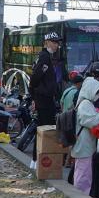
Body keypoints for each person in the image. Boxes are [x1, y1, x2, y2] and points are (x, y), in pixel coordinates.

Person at [71, 78, 99, 195]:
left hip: (84, 144)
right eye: (96, 92)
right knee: (83, 175)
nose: (97, 95)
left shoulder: (85, 102)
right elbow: (92, 122)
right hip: (84, 144)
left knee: (84, 173)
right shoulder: (85, 104)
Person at [29, 32, 62, 164]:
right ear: (46, 43)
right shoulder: (45, 57)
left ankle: (36, 161)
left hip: (43, 98)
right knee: (45, 130)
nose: (56, 46)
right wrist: (32, 94)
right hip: (44, 99)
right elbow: (36, 76)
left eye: (57, 43)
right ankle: (38, 161)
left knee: (43, 129)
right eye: (54, 43)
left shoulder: (43, 56)